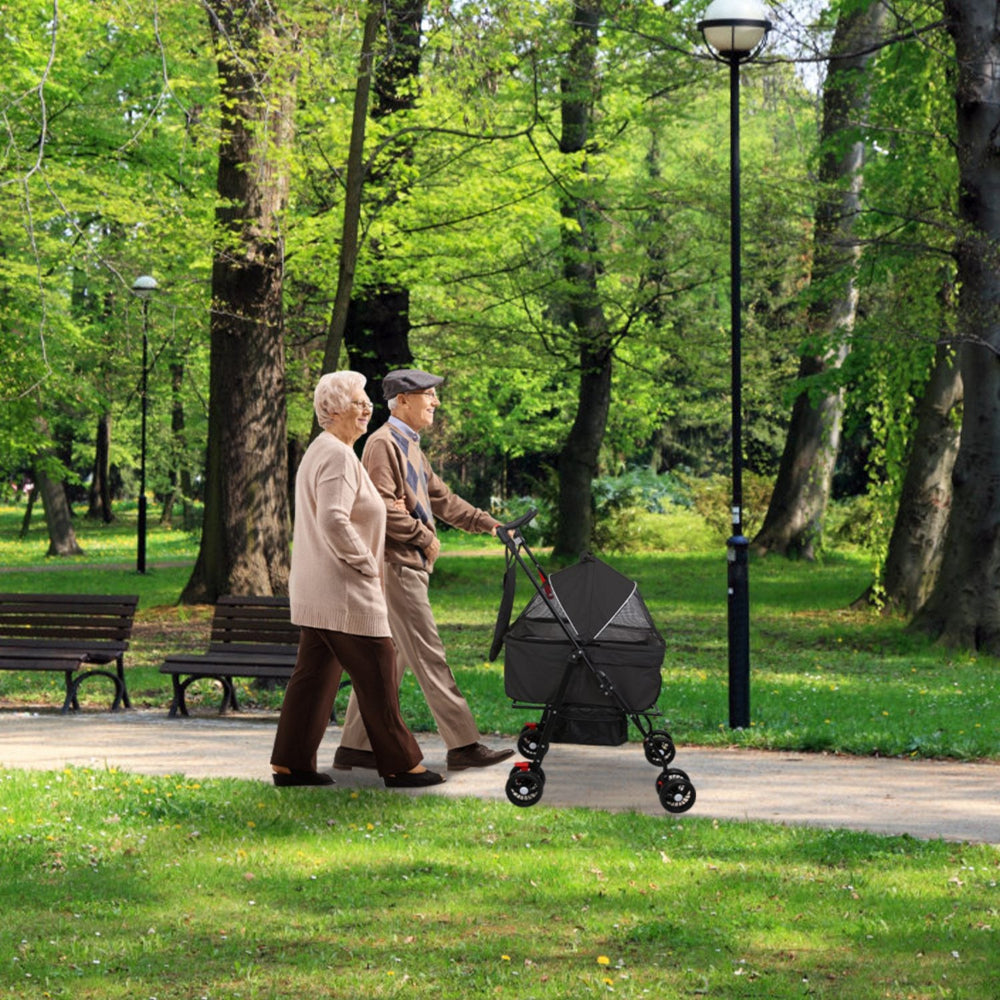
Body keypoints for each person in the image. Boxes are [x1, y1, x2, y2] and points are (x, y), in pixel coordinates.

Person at [333, 368, 514, 773]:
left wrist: (489, 524)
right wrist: (423, 536)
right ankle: (463, 744)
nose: (435, 403)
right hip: (396, 566)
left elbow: (443, 500)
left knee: (388, 661)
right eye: (428, 395)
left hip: (407, 565)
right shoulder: (382, 445)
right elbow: (380, 506)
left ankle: (356, 747)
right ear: (402, 401)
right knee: (429, 654)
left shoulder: (409, 446)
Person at [270, 370, 444, 789]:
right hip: (344, 590)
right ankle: (401, 765)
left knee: (314, 675)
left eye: (368, 400)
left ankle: (291, 763)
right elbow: (333, 519)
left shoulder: (324, 450)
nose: (366, 407)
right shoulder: (338, 456)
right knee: (379, 668)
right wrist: (366, 563)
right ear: (331, 411)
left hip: (318, 591)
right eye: (356, 401)